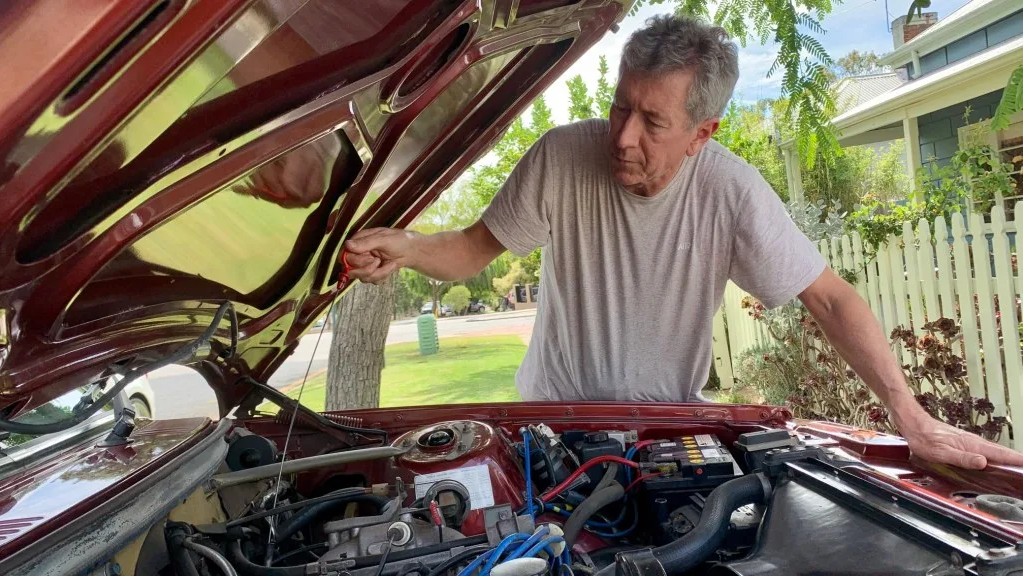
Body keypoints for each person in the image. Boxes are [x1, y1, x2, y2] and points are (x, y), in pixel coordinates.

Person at [341, 15, 1023, 470]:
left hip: (663, 440)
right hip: (544, 429)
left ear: (704, 134)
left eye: (652, 120)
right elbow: (471, 248)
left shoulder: (731, 191)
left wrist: (911, 415)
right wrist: (407, 246)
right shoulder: (559, 156)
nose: (622, 135)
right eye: (619, 105)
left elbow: (831, 297)